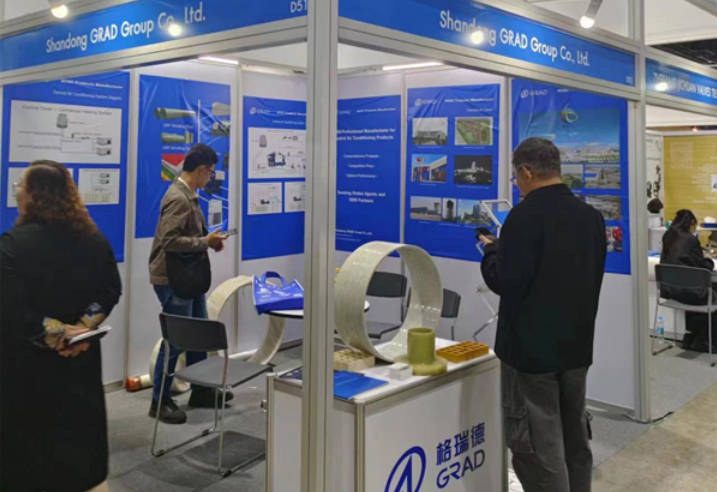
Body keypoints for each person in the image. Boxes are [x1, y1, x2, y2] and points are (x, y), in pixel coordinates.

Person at [479, 137, 606, 492]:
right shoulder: (591, 217)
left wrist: (492, 252)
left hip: (530, 355)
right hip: (576, 348)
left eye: (515, 177)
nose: (516, 184)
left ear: (526, 171)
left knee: (537, 447)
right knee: (574, 438)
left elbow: (506, 281)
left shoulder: (523, 217)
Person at [0, 160, 121, 492]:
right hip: (81, 361)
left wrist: (57, 335)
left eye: (21, 187)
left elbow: (11, 308)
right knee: (78, 437)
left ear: (34, 195)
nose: (18, 194)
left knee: (29, 449)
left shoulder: (12, 244)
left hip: (28, 368)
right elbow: (111, 289)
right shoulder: (94, 239)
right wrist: (81, 328)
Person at [148, 143, 229, 424]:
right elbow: (169, 241)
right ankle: (159, 401)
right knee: (176, 340)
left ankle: (201, 390)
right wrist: (205, 241)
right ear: (202, 169)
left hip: (189, 277)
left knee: (198, 336)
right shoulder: (179, 198)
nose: (211, 177)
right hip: (173, 280)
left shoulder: (188, 195)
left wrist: (209, 242)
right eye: (211, 172)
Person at [660, 209, 716, 351]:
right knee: (711, 290)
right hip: (689, 292)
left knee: (694, 288)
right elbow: (702, 267)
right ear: (691, 223)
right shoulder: (691, 240)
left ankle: (691, 337)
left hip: (669, 291)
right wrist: (710, 261)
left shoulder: (668, 236)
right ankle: (705, 340)